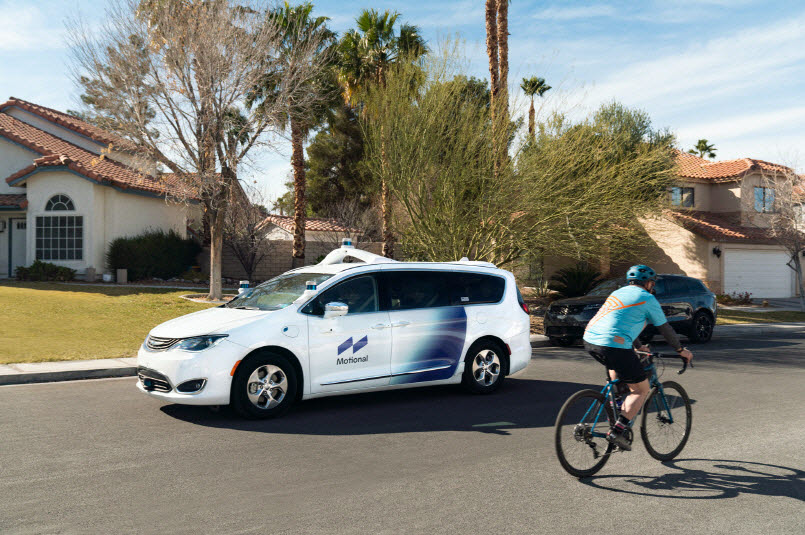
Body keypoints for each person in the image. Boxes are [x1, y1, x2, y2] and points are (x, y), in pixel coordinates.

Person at [582, 265, 694, 450]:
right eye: (652, 283)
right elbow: (665, 328)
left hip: (590, 340)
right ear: (649, 283)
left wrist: (638, 346)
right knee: (641, 389)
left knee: (617, 367)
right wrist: (680, 349)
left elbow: (622, 322)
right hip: (613, 345)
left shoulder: (618, 293)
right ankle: (617, 431)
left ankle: (616, 401)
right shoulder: (647, 298)